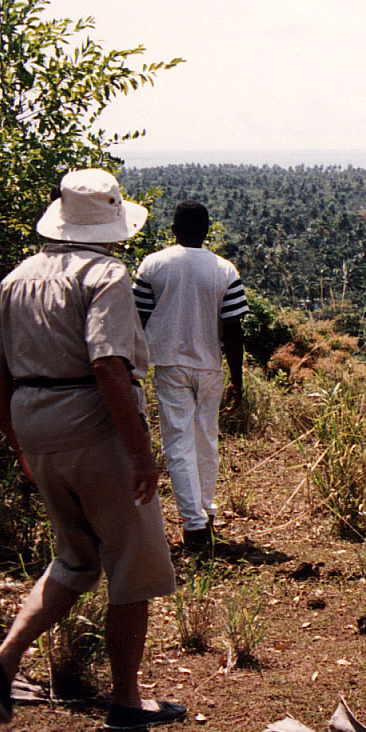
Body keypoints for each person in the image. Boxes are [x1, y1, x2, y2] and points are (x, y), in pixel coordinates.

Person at [0, 168, 187, 731]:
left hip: (37, 426)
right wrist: (141, 456)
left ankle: (2, 661)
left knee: (75, 557)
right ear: (110, 225)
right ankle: (126, 698)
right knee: (132, 560)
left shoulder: (17, 279)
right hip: (93, 427)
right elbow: (107, 365)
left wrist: (19, 442)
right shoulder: (106, 275)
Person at [132, 200, 248, 548]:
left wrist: (133, 366)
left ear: (173, 229)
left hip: (168, 362)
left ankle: (194, 526)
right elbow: (233, 328)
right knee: (206, 439)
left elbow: (139, 319)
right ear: (207, 229)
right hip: (210, 363)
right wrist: (237, 379)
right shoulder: (224, 270)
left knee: (178, 441)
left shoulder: (153, 264)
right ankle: (206, 513)